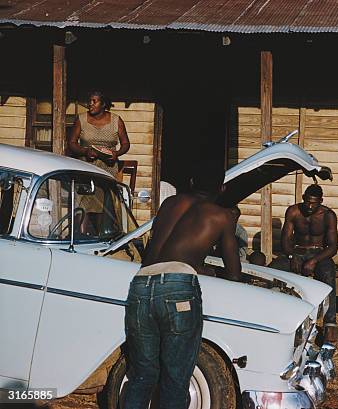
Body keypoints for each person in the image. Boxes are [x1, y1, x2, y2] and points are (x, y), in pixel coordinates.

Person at [122, 161, 241, 409]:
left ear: (190, 183)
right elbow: (233, 273)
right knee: (175, 380)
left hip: (141, 284)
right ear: (222, 187)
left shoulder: (170, 204)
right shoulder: (221, 216)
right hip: (178, 289)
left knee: (142, 374)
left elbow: (163, 251)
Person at [281, 184, 338, 341]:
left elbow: (333, 247)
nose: (310, 206)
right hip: (297, 251)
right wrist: (292, 256)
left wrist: (313, 260)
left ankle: (329, 325)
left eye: (314, 203)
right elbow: (285, 240)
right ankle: (280, 317)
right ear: (303, 198)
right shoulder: (294, 211)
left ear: (321, 201)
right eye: (307, 202)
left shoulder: (328, 215)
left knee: (328, 276)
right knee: (275, 272)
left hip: (319, 253)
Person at [68, 90, 130, 177]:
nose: (90, 104)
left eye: (94, 101)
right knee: (87, 189)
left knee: (106, 188)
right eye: (89, 101)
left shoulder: (116, 120)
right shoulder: (81, 119)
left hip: (109, 166)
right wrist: (85, 151)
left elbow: (126, 143)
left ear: (103, 104)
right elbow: (72, 143)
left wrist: (117, 153)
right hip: (86, 165)